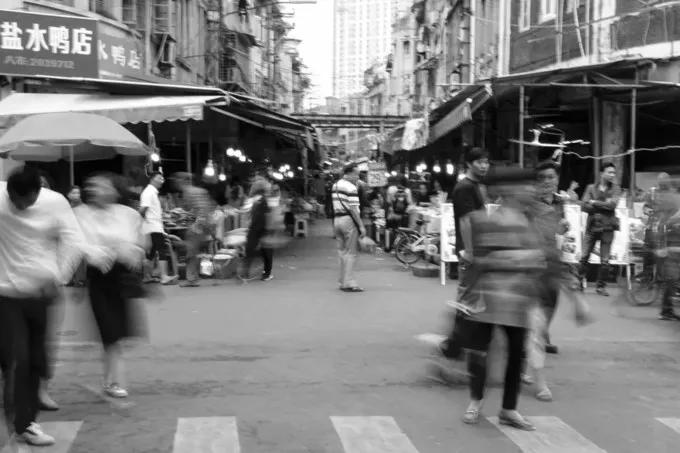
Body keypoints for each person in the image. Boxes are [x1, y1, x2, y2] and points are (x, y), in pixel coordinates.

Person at [0, 166, 113, 446]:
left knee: (36, 361)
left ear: (38, 193)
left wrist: (61, 277)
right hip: (6, 295)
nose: (20, 206)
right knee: (18, 358)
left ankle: (26, 419)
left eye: (26, 201)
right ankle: (20, 423)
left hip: (41, 294)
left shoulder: (55, 203)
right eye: (14, 200)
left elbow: (74, 241)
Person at [459, 167, 544, 431]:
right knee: (478, 353)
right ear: (508, 190)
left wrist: (520, 260)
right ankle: (476, 400)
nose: (531, 190)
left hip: (518, 300)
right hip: (486, 298)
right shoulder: (482, 219)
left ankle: (509, 409)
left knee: (517, 356)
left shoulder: (529, 221)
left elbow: (539, 260)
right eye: (525, 186)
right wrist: (517, 258)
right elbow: (476, 258)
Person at [75, 174, 146, 399]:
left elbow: (141, 244)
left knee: (116, 334)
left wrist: (132, 251)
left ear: (115, 191)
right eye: (92, 186)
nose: (95, 190)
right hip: (98, 277)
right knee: (109, 330)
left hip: (121, 277)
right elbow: (76, 244)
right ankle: (114, 381)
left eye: (101, 186)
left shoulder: (128, 214)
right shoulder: (81, 214)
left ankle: (110, 380)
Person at [522, 161, 570, 402]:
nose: (547, 182)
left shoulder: (560, 203)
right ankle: (539, 381)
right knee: (536, 324)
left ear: (557, 179)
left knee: (543, 320)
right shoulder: (529, 204)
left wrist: (562, 229)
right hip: (532, 267)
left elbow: (558, 232)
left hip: (553, 265)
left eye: (551, 177)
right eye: (542, 178)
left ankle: (522, 363)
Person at [439, 148, 489, 360]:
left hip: (478, 249)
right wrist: (469, 251)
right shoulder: (464, 187)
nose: (484, 166)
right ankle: (454, 345)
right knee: (467, 297)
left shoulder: (475, 186)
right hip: (471, 250)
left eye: (486, 162)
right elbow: (466, 220)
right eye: (479, 162)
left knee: (473, 297)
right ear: (469, 163)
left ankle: (464, 342)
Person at [579, 163, 621, 296]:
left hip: (608, 227)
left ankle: (601, 287)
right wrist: (603, 205)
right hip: (592, 226)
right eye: (609, 172)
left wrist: (594, 202)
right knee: (584, 257)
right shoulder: (591, 188)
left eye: (614, 173)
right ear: (602, 173)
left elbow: (612, 205)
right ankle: (579, 283)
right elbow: (584, 206)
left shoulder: (616, 188)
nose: (612, 175)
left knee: (605, 260)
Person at [172, 173, 216, 288]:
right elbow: (204, 207)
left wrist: (198, 224)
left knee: (191, 250)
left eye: (177, 180)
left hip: (200, 224)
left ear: (183, 181)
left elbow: (202, 208)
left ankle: (192, 279)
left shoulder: (189, 192)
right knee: (193, 250)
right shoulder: (197, 191)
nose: (176, 183)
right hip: (205, 223)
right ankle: (193, 277)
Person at [332, 162, 366, 292]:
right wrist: (361, 226)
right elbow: (353, 209)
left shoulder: (335, 185)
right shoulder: (351, 188)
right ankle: (349, 283)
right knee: (351, 253)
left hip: (337, 220)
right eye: (356, 174)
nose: (358, 177)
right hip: (348, 221)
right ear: (350, 173)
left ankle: (342, 281)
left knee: (341, 252)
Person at [139, 172, 177, 285]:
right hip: (153, 226)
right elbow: (143, 209)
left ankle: (147, 277)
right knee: (162, 249)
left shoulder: (152, 192)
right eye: (159, 178)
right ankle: (164, 276)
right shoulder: (149, 192)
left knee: (151, 252)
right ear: (152, 179)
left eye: (162, 178)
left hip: (153, 226)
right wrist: (143, 222)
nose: (162, 180)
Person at [240, 179, 275, 282]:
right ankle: (266, 274)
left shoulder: (251, 200)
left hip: (254, 228)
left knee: (249, 250)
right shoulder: (266, 199)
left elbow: (245, 214)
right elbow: (271, 214)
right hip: (264, 228)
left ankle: (245, 274)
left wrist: (246, 227)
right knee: (266, 251)